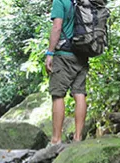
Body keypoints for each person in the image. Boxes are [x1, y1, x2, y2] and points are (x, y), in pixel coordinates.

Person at [45, 0, 90, 144]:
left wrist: (50, 53)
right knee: (80, 93)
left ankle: (56, 139)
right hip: (82, 53)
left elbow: (57, 27)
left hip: (64, 55)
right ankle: (78, 137)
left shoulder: (60, 1)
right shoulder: (83, 1)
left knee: (58, 94)